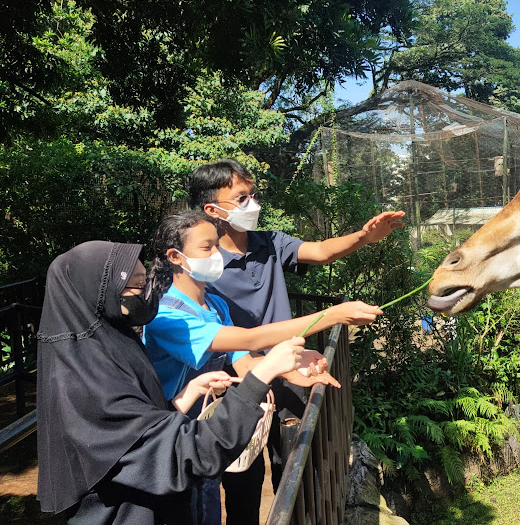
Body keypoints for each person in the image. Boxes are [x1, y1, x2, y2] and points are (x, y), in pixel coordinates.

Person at [188, 158, 404, 523]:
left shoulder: (269, 242)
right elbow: (235, 338)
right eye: (241, 198)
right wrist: (330, 316)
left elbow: (320, 251)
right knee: (244, 480)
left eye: (253, 195)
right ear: (213, 208)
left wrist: (364, 237)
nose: (252, 204)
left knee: (296, 465)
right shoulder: (202, 263)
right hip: (239, 382)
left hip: (292, 373)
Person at [36, 240, 306, 524]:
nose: (147, 292)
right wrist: (260, 377)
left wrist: (182, 398)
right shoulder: (84, 380)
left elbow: (135, 434)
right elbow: (186, 456)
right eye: (136, 285)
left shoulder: (112, 346)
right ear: (97, 292)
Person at [142, 210, 381, 524]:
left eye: (217, 246)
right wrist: (331, 316)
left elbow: (242, 359)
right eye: (206, 248)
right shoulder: (166, 316)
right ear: (175, 256)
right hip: (169, 432)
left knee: (207, 505)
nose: (217, 255)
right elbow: (250, 337)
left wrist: (296, 369)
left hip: (203, 429)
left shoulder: (215, 305)